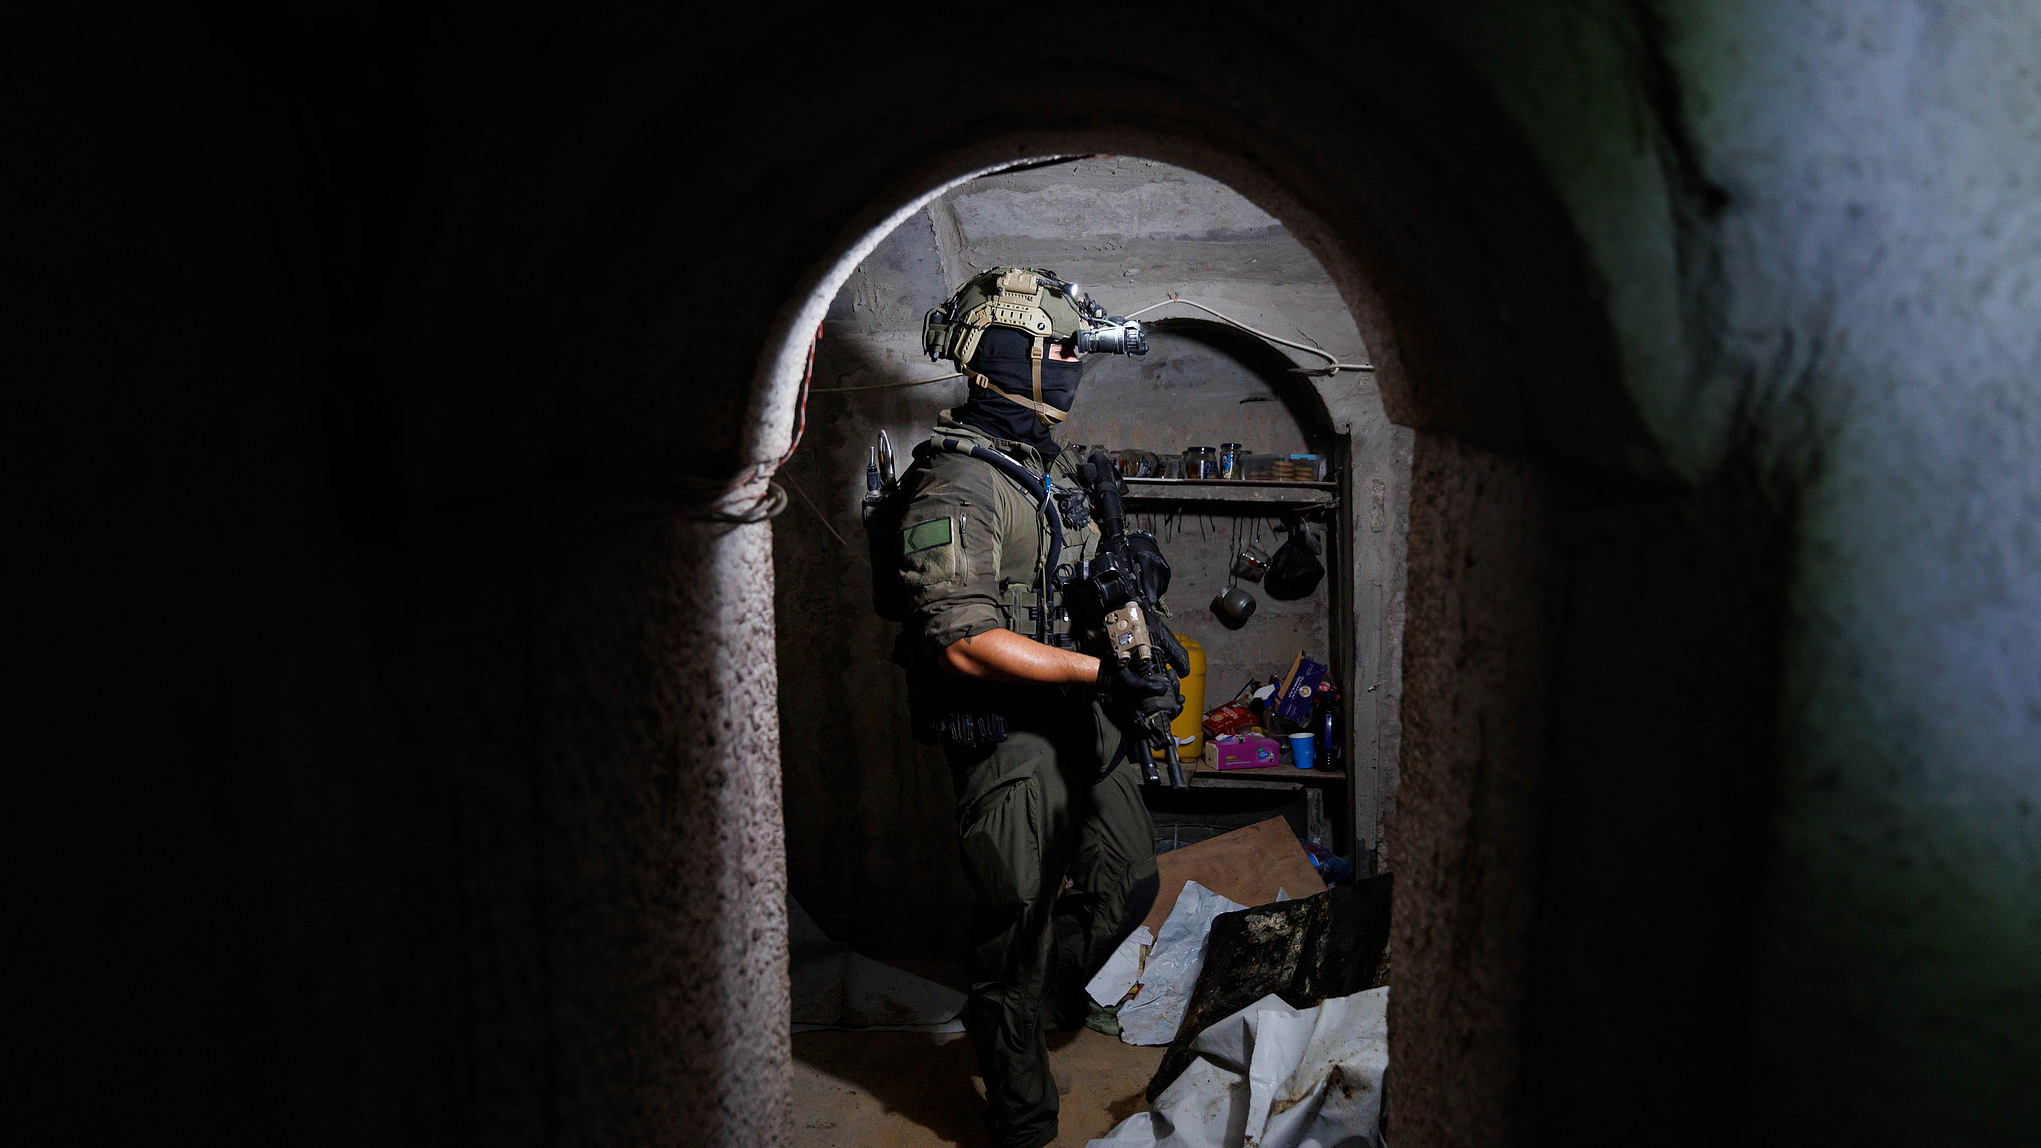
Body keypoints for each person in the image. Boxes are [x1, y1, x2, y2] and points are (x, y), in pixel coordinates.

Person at [890, 267, 1180, 1148]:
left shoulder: (1037, 466)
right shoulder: (955, 485)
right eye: (1056, 351)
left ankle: (1034, 997)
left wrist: (1123, 580)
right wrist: (1099, 677)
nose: (1071, 365)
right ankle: (1021, 1115)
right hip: (1009, 732)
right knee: (1014, 921)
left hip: (1078, 713)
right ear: (1008, 358)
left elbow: (1070, 575)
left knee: (1130, 880)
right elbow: (961, 639)